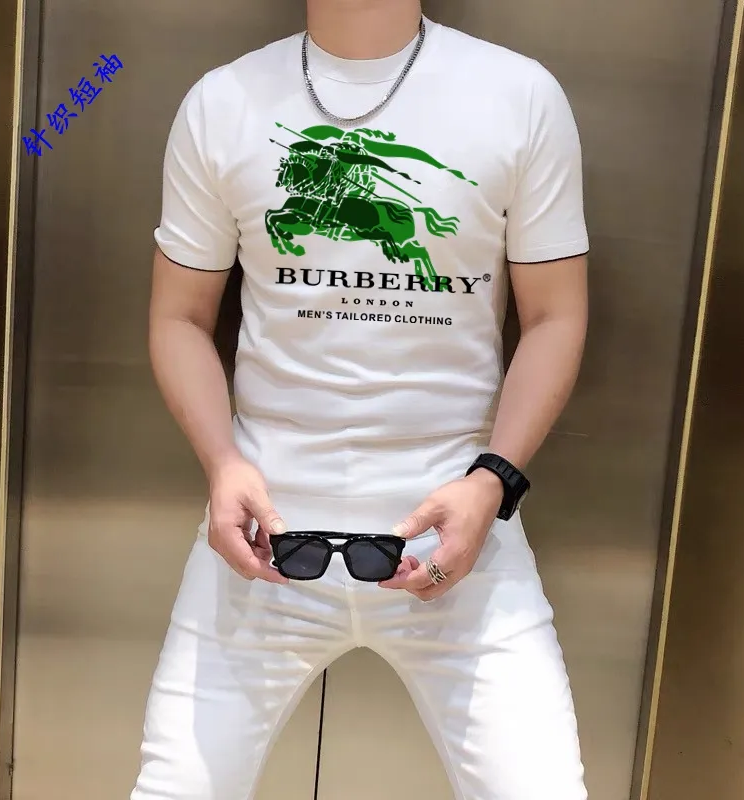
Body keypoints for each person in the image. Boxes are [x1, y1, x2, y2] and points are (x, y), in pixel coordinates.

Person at [132, 0, 589, 797]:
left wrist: (493, 482)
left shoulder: (519, 95)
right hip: (262, 544)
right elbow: (180, 318)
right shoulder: (223, 101)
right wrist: (221, 463)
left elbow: (554, 316)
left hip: (461, 542)